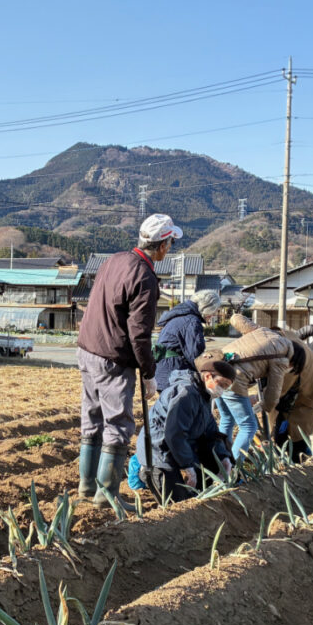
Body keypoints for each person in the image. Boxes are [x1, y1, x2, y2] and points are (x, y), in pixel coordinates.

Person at [76, 213, 175, 508]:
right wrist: (149, 372)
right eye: (170, 243)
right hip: (113, 357)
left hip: (87, 349)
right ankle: (106, 496)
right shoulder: (145, 277)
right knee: (118, 425)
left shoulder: (114, 260)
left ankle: (87, 488)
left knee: (92, 419)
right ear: (163, 245)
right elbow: (139, 333)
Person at [136, 357, 236, 502]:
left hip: (179, 448)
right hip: (159, 451)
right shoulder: (186, 393)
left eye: (226, 387)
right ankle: (147, 473)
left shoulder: (204, 395)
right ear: (208, 376)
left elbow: (211, 432)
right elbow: (175, 433)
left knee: (213, 470)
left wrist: (224, 457)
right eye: (222, 384)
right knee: (177, 502)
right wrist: (188, 466)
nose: (222, 390)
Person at [213, 318, 300, 461]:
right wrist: (266, 406)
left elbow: (235, 318)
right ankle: (233, 468)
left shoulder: (261, 331)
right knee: (249, 426)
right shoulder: (283, 357)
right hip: (234, 379)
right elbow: (273, 391)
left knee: (227, 418)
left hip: (216, 368)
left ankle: (221, 460)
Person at [153, 289, 221, 392]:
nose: (213, 315)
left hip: (163, 371)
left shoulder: (179, 316)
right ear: (207, 308)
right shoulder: (192, 321)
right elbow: (195, 356)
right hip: (175, 375)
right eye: (213, 311)